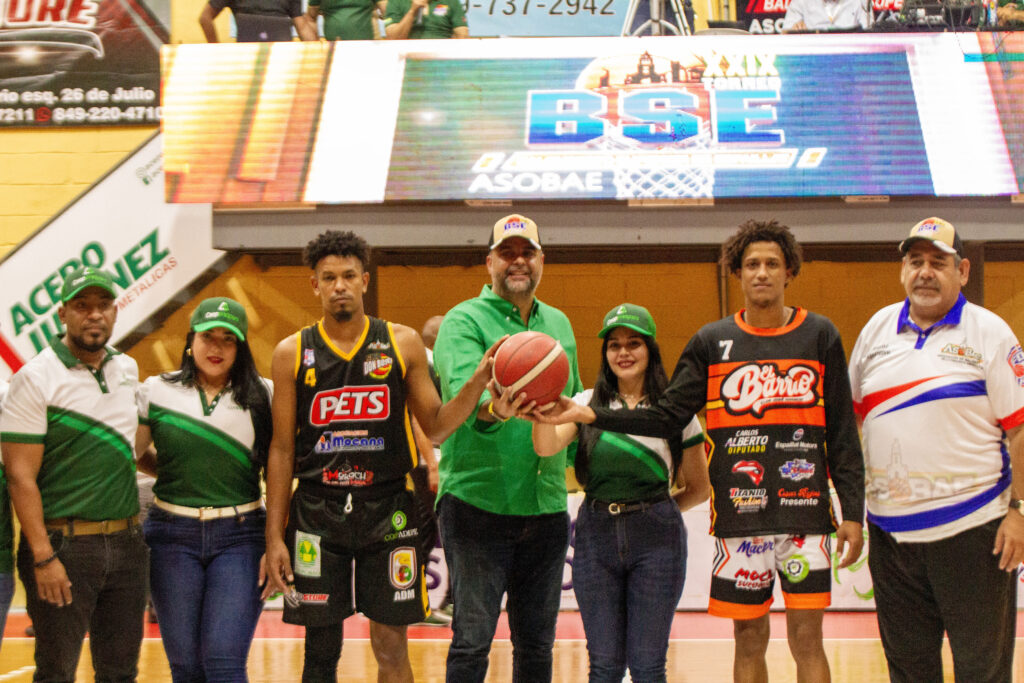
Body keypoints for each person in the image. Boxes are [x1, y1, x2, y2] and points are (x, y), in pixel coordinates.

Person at [537, 219, 864, 683]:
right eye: (752, 264)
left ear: (789, 271)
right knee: (748, 637)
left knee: (808, 638)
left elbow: (843, 432)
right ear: (738, 272)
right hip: (740, 517)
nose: (762, 273)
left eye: (772, 264)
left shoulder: (820, 334)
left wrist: (853, 511)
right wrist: (592, 414)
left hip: (805, 513)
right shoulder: (712, 342)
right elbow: (665, 416)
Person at [261, 230, 500, 683]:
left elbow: (437, 426)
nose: (339, 286)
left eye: (349, 275)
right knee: (320, 651)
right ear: (314, 285)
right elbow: (281, 449)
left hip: (388, 509)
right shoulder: (291, 352)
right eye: (329, 277)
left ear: (365, 280)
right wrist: (274, 536)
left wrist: (477, 384)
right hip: (317, 511)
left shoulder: (401, 343)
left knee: (391, 647)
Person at [848, 217, 1024, 682]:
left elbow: (1021, 431)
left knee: (982, 672)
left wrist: (1019, 511)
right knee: (908, 671)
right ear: (902, 270)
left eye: (938, 263)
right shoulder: (876, 330)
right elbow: (852, 424)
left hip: (975, 533)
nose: (925, 272)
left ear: (962, 271)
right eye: (915, 261)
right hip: (891, 539)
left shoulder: (990, 332)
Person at [433, 214, 584, 683]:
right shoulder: (463, 320)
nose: (518, 261)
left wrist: (581, 471)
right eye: (507, 253)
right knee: (472, 641)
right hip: (477, 506)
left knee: (537, 646)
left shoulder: (559, 323)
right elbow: (464, 401)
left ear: (542, 261)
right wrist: (495, 409)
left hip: (546, 507)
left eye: (527, 252)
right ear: (489, 262)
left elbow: (572, 404)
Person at [532, 303, 709, 682]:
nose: (623, 352)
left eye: (633, 343)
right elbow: (546, 448)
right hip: (596, 536)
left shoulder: (676, 411)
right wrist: (540, 412)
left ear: (650, 350)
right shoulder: (585, 403)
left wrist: (655, 512)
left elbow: (699, 488)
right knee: (605, 666)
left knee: (647, 666)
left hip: (657, 540)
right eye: (614, 345)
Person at [1, 266, 148, 681]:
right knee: (56, 672)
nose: (94, 314)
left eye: (104, 305)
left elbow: (130, 448)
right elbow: (20, 478)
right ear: (63, 314)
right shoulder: (34, 378)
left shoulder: (127, 368)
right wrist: (44, 556)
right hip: (63, 548)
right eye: (82, 306)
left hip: (127, 543)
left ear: (115, 311)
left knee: (120, 672)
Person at [135, 297, 272, 682]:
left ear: (241, 347)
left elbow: (279, 470)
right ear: (190, 340)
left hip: (241, 537)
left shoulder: (264, 394)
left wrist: (277, 539)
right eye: (208, 336)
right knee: (186, 666)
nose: (217, 347)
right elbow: (134, 452)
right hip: (170, 536)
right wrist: (173, 472)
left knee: (224, 661)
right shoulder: (156, 390)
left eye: (228, 339)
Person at [199, 0, 317, 42]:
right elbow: (205, 18)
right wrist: (215, 49)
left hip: (280, 58)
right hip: (246, 58)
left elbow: (302, 26)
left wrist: (318, 50)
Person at [383, 0, 468, 39]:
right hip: (408, 54)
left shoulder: (451, 1)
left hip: (441, 54)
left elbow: (462, 35)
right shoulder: (396, 2)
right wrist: (412, 11)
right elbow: (392, 38)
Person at [306, 0, 386, 40]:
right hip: (334, 48)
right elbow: (310, 18)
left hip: (367, 46)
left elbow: (386, 11)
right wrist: (315, 46)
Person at [782, 0, 869, 31]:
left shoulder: (861, 2)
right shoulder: (800, 1)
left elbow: (869, 37)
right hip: (811, 57)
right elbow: (785, 35)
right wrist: (795, 31)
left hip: (851, 57)